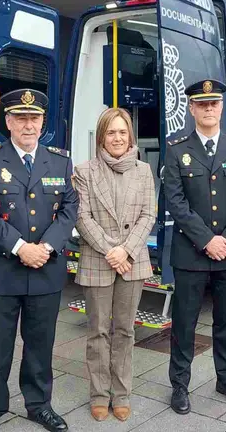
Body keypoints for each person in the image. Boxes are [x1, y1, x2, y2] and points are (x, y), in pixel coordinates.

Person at [0, 88, 78, 432]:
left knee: (40, 345)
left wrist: (46, 247)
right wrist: (20, 247)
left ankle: (38, 404)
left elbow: (70, 209)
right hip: (1, 271)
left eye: (34, 118)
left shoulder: (60, 160)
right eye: (21, 118)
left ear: (43, 122)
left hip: (45, 269)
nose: (28, 125)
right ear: (8, 121)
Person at [163, 79, 226, 415]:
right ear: (191, 108)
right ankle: (179, 385)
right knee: (184, 322)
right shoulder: (176, 149)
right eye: (201, 104)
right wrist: (206, 240)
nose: (208, 109)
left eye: (213, 103)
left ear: (220, 107)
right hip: (191, 253)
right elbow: (175, 202)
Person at [72, 108, 155, 422]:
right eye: (111, 132)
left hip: (132, 261)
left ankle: (121, 394)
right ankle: (98, 394)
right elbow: (82, 217)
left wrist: (127, 250)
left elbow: (148, 215)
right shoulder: (85, 171)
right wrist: (112, 250)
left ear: (130, 136)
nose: (117, 138)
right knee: (98, 332)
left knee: (124, 331)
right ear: (101, 137)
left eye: (123, 132)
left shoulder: (143, 171)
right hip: (99, 260)